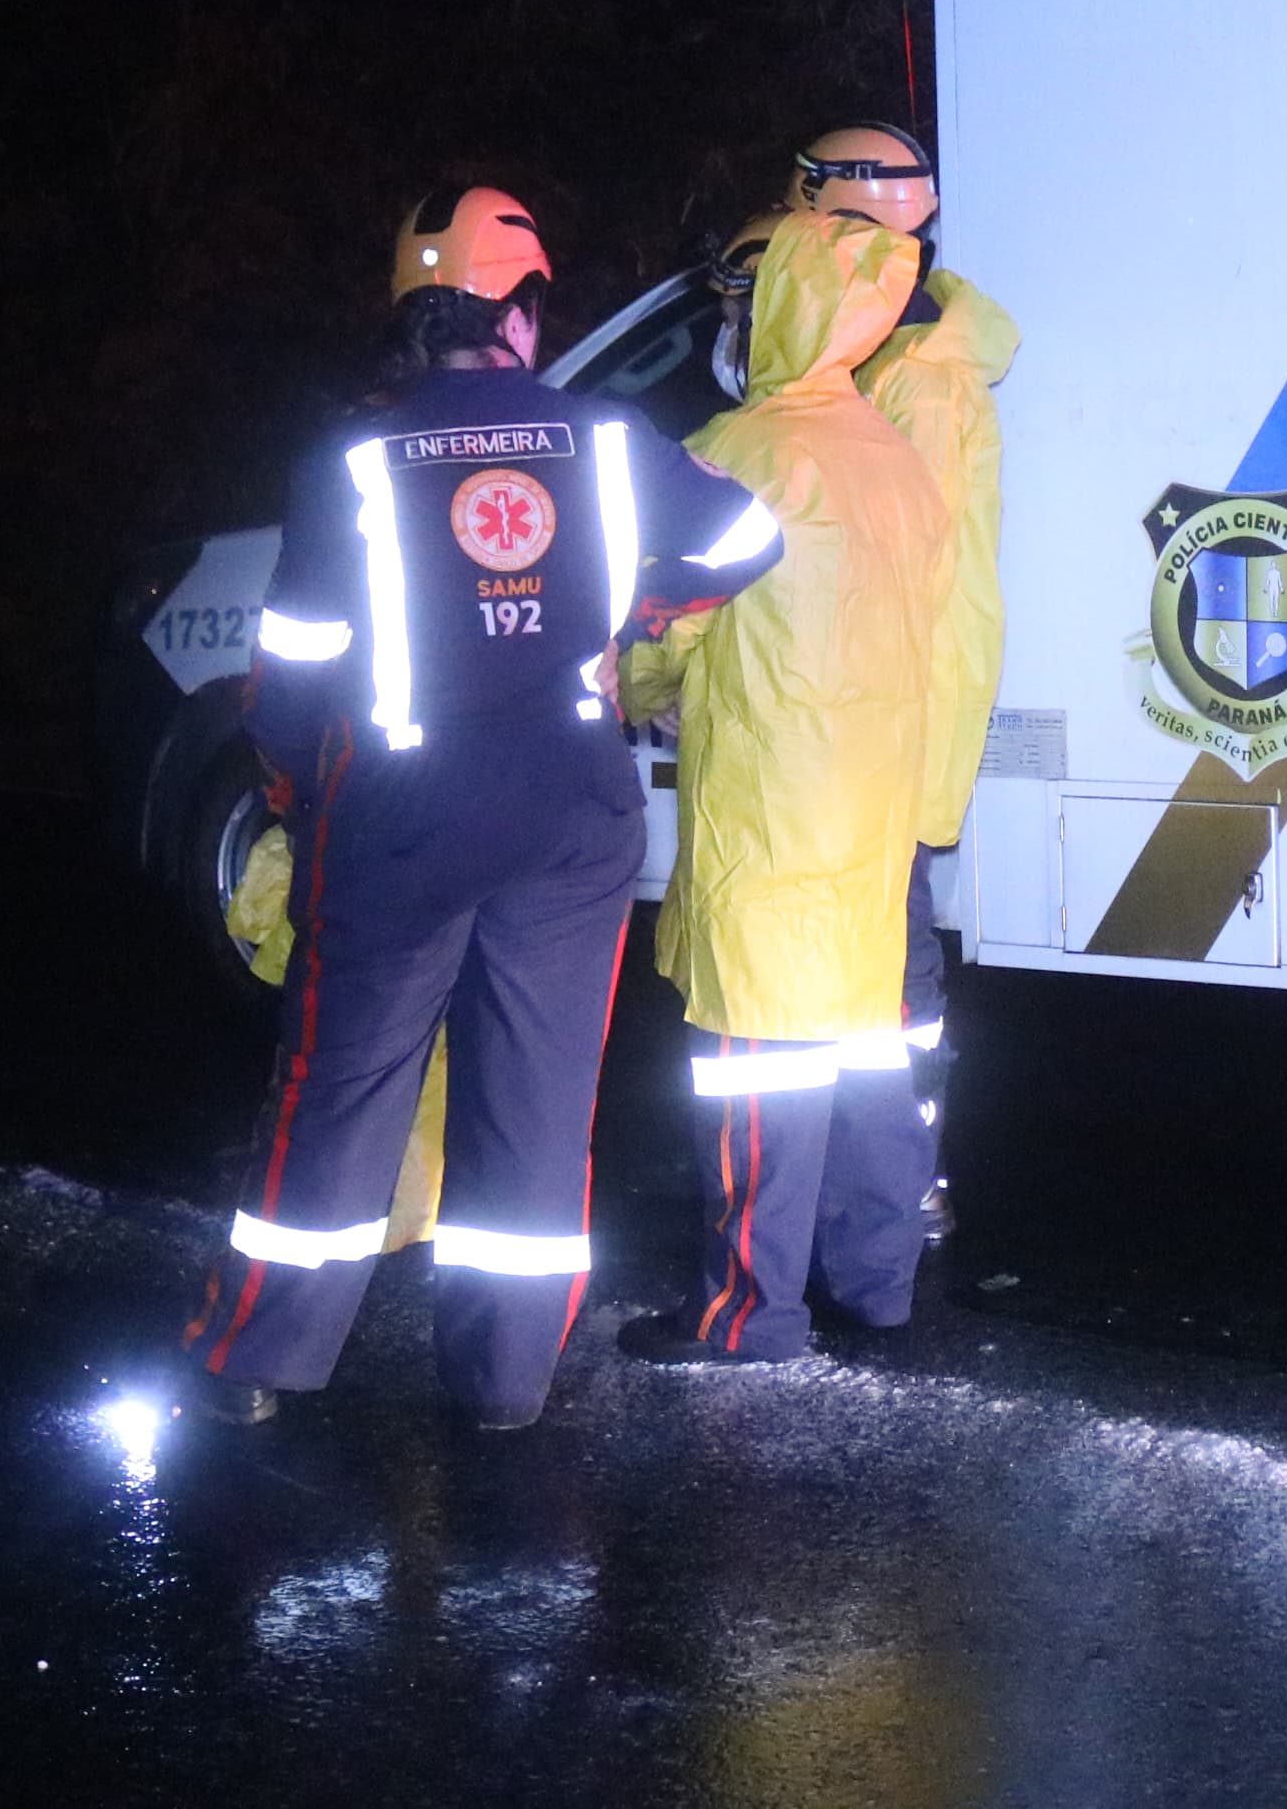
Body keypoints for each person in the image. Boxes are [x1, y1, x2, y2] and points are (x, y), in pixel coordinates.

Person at [178, 185, 691, 1430]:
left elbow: (293, 668)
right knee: (534, 1108)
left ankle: (264, 1363)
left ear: (411, 318)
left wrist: (303, 796)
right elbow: (743, 539)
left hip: (400, 821)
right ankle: (505, 1385)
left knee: (341, 1090)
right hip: (572, 822)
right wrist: (633, 598)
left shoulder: (347, 456)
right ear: (518, 313)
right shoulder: (603, 442)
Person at [614, 204, 951, 1364]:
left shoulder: (740, 453)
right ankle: (877, 1280)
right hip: (872, 818)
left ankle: (747, 1315)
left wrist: (627, 678)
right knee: (866, 1058)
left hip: (768, 811)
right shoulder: (899, 459)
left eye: (743, 306)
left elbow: (664, 625)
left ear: (782, 311)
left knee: (756, 1064)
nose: (733, 325)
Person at [799, 126, 1019, 1260]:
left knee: (891, 967)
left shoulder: (914, 379)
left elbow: (885, 566)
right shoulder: (901, 357)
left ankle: (904, 1188)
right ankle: (888, 1182)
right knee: (886, 956)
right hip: (890, 710)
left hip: (889, 716)